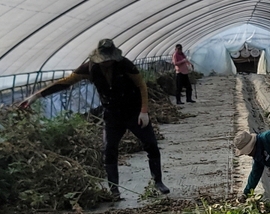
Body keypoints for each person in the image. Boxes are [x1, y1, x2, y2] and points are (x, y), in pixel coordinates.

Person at [21, 39, 170, 198]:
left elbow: (141, 86)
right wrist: (37, 95)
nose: (107, 62)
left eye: (109, 59)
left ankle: (158, 182)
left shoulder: (125, 65)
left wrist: (144, 111)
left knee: (151, 145)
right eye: (104, 60)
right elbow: (65, 82)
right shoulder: (89, 68)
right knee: (109, 150)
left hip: (133, 112)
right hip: (112, 115)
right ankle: (114, 189)